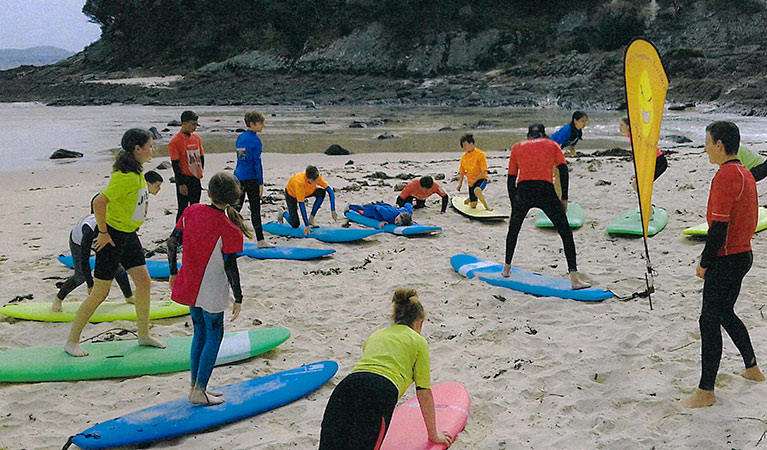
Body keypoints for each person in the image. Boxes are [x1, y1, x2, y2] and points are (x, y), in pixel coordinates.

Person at [683, 121, 765, 408]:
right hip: (743, 255)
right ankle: (752, 368)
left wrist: (705, 262)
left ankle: (706, 391)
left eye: (707, 143)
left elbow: (717, 227)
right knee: (725, 313)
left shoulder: (726, 176)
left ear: (719, 145)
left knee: (708, 320)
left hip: (727, 258)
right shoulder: (745, 172)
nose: (705, 149)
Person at [65, 129, 166, 357]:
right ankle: (71, 341)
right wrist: (102, 232)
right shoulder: (125, 176)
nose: (153, 149)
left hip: (129, 235)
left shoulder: (135, 169)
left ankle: (143, 335)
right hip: (112, 236)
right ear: (137, 149)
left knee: (144, 282)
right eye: (149, 146)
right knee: (100, 293)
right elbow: (99, 203)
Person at [319, 288, 453, 449]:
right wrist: (433, 434)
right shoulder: (418, 341)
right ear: (419, 322)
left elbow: (368, 371)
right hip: (378, 392)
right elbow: (424, 392)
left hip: (347, 386)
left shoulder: (376, 335)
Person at [168, 172, 251, 406]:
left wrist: (173, 272)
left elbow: (171, 242)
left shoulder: (191, 211)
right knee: (215, 334)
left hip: (192, 283)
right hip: (212, 287)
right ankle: (199, 390)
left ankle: (195, 387)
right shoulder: (230, 228)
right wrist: (239, 297)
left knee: (199, 333)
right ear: (234, 198)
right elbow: (230, 266)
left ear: (209, 192)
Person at [52, 171, 163, 312]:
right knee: (80, 276)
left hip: (103, 237)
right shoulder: (89, 231)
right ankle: (58, 299)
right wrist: (90, 284)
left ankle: (128, 297)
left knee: (119, 270)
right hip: (78, 242)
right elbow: (85, 259)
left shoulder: (112, 226)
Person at [504, 123, 590, 290]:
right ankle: (574, 279)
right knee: (565, 232)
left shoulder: (517, 147)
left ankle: (506, 269)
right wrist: (564, 198)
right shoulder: (552, 145)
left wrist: (514, 203)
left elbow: (511, 179)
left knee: (513, 230)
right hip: (545, 190)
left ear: (529, 136)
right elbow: (563, 170)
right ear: (544, 134)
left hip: (524, 190)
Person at [234, 110, 273, 248]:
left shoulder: (240, 138)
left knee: (235, 209)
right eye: (260, 123)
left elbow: (241, 159)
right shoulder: (256, 140)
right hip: (251, 178)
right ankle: (260, 241)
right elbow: (257, 163)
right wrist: (261, 183)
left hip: (238, 176)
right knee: (255, 209)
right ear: (252, 124)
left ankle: (228, 238)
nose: (263, 126)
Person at [280, 165, 337, 236]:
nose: (317, 182)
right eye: (314, 181)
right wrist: (306, 225)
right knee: (295, 224)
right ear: (308, 179)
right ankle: (283, 213)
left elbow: (330, 191)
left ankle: (311, 218)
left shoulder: (317, 177)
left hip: (307, 192)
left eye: (317, 179)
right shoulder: (300, 183)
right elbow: (301, 204)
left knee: (321, 193)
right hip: (291, 195)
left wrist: (333, 209)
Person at [169, 110, 204, 223]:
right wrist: (180, 183)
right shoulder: (175, 141)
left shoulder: (196, 138)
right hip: (184, 178)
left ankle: (193, 232)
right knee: (183, 209)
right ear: (184, 123)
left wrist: (200, 172)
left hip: (195, 178)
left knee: (195, 207)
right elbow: (175, 164)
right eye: (193, 124)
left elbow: (201, 157)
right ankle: (178, 236)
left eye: (196, 124)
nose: (195, 127)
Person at [620, 117, 668, 191]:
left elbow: (642, 154)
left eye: (622, 125)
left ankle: (646, 203)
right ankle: (646, 202)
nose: (620, 128)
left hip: (658, 161)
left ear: (628, 126)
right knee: (639, 185)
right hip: (654, 161)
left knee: (639, 185)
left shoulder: (635, 136)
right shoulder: (632, 136)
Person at [456, 134, 491, 211]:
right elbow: (461, 172)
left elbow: (484, 171)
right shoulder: (464, 157)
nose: (464, 147)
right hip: (470, 182)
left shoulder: (480, 154)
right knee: (473, 205)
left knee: (477, 190)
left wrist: (475, 181)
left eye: (465, 145)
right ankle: (470, 199)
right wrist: (460, 184)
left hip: (481, 179)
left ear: (471, 143)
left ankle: (486, 207)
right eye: (463, 146)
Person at [347, 202, 413, 228]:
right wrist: (383, 220)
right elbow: (378, 208)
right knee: (363, 211)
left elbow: (408, 205)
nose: (395, 222)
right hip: (376, 210)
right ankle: (350, 206)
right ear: (399, 215)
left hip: (389, 207)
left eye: (398, 224)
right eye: (397, 220)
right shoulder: (388, 215)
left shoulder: (407, 212)